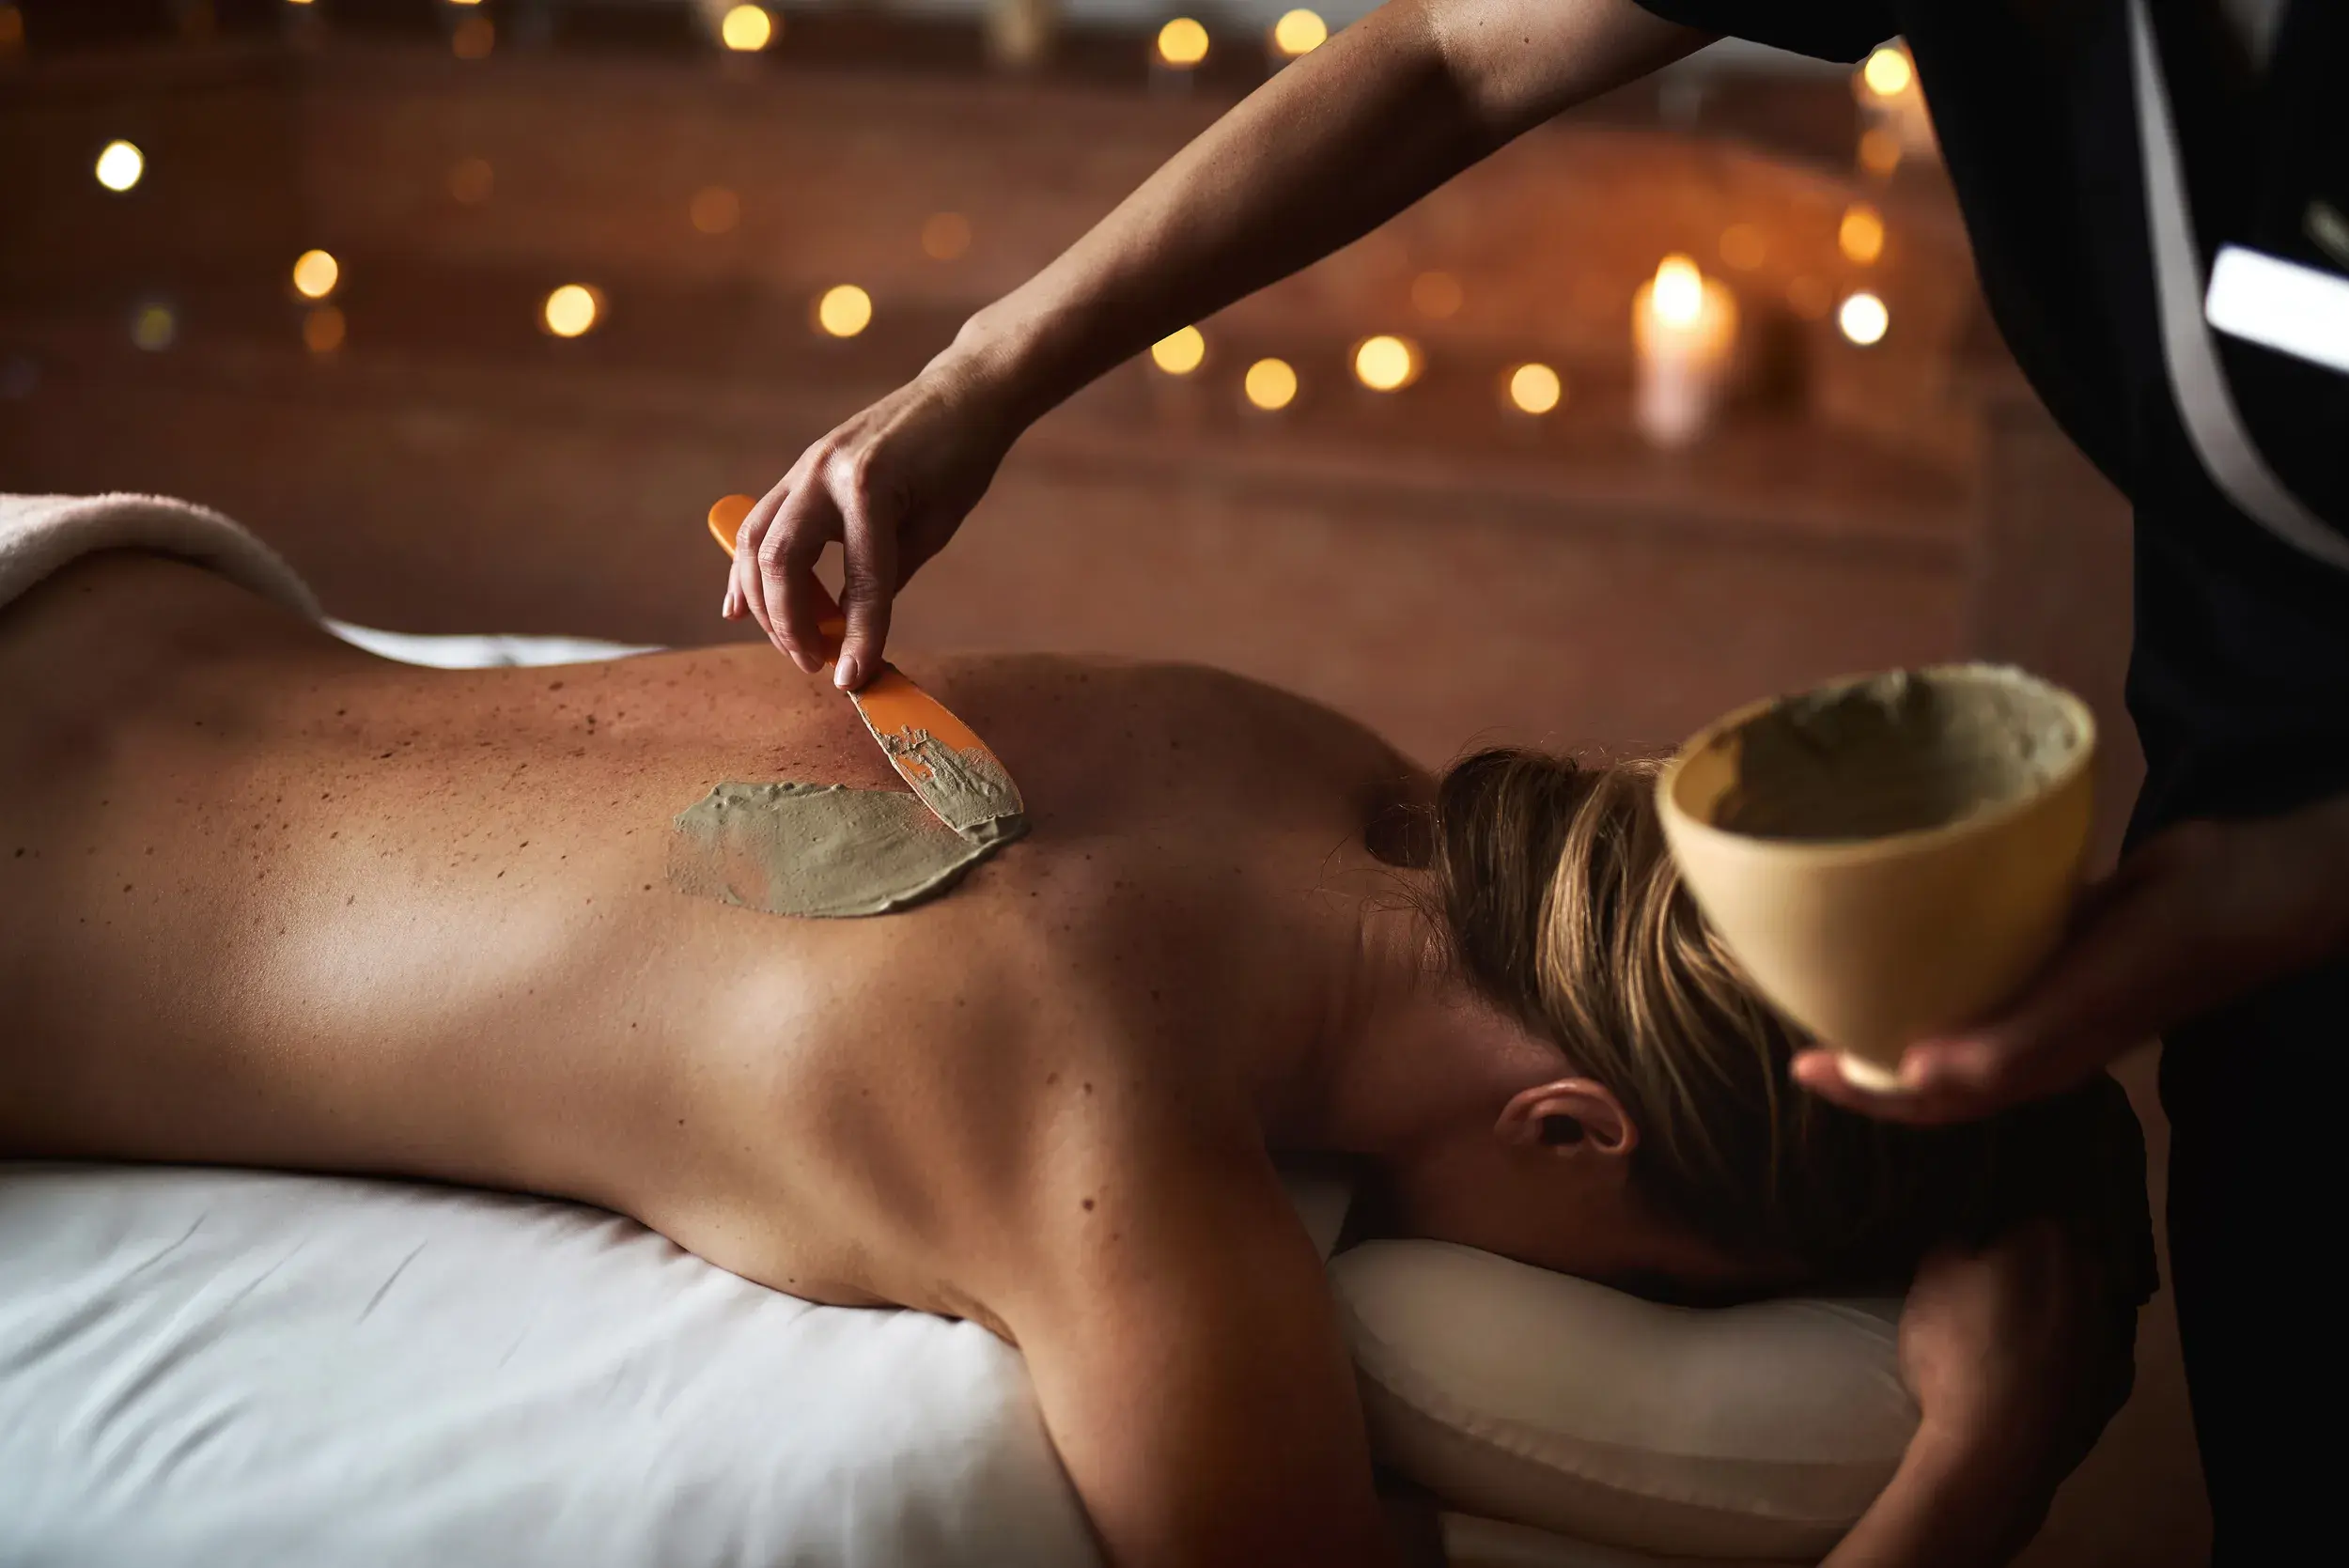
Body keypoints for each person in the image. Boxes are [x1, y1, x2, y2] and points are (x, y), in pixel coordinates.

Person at [722, 3, 2345, 1555]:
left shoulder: (1248, 771)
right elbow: (1452, 43)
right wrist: (1973, 1475)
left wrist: (2270, 890)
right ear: (1572, 1130)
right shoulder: (1147, 1091)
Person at [3, 543, 2147, 1566]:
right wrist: (1972, 1464)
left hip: (92, 586)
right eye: (1657, 1282)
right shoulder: (1118, 1185)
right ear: (1566, 1127)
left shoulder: (1279, 749)